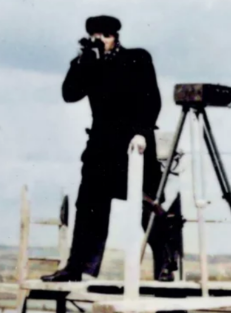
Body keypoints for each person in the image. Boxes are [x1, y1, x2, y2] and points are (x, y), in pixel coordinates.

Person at [43, 15, 178, 282]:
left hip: (134, 143)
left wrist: (141, 133)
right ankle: (77, 267)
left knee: (148, 205)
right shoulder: (88, 64)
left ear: (115, 37)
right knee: (89, 206)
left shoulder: (136, 58)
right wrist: (82, 63)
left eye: (105, 36)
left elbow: (152, 100)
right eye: (95, 36)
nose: (100, 41)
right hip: (101, 146)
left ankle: (165, 264)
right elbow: (70, 94)